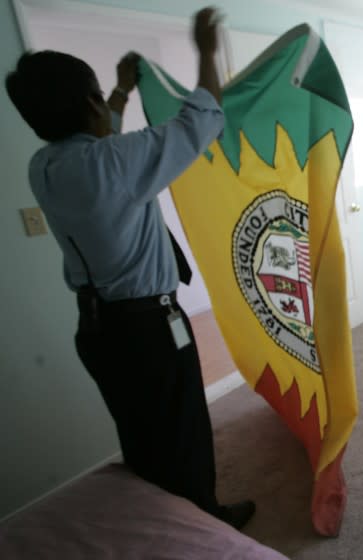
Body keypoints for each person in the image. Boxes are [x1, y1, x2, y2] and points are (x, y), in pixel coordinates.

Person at [5, 7, 255, 530]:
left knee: (142, 437)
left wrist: (118, 93)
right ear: (90, 103)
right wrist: (206, 51)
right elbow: (204, 119)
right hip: (149, 331)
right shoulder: (113, 161)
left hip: (99, 330)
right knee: (184, 433)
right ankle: (202, 526)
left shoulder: (47, 166)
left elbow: (98, 144)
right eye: (100, 95)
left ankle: (156, 520)